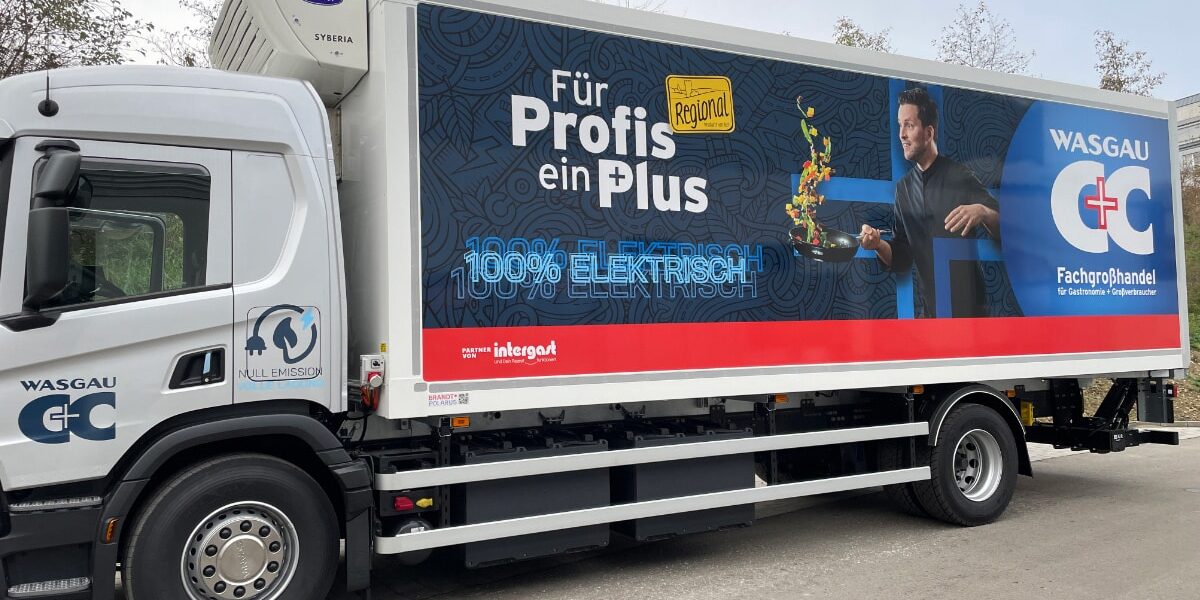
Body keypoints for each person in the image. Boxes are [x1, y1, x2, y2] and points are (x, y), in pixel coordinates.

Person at [860, 87, 1002, 318]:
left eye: (909, 125)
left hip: (971, 316)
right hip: (931, 316)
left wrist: (983, 211)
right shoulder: (903, 189)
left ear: (928, 133)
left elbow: (1005, 229)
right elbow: (902, 257)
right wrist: (878, 245)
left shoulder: (959, 176)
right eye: (900, 125)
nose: (901, 134)